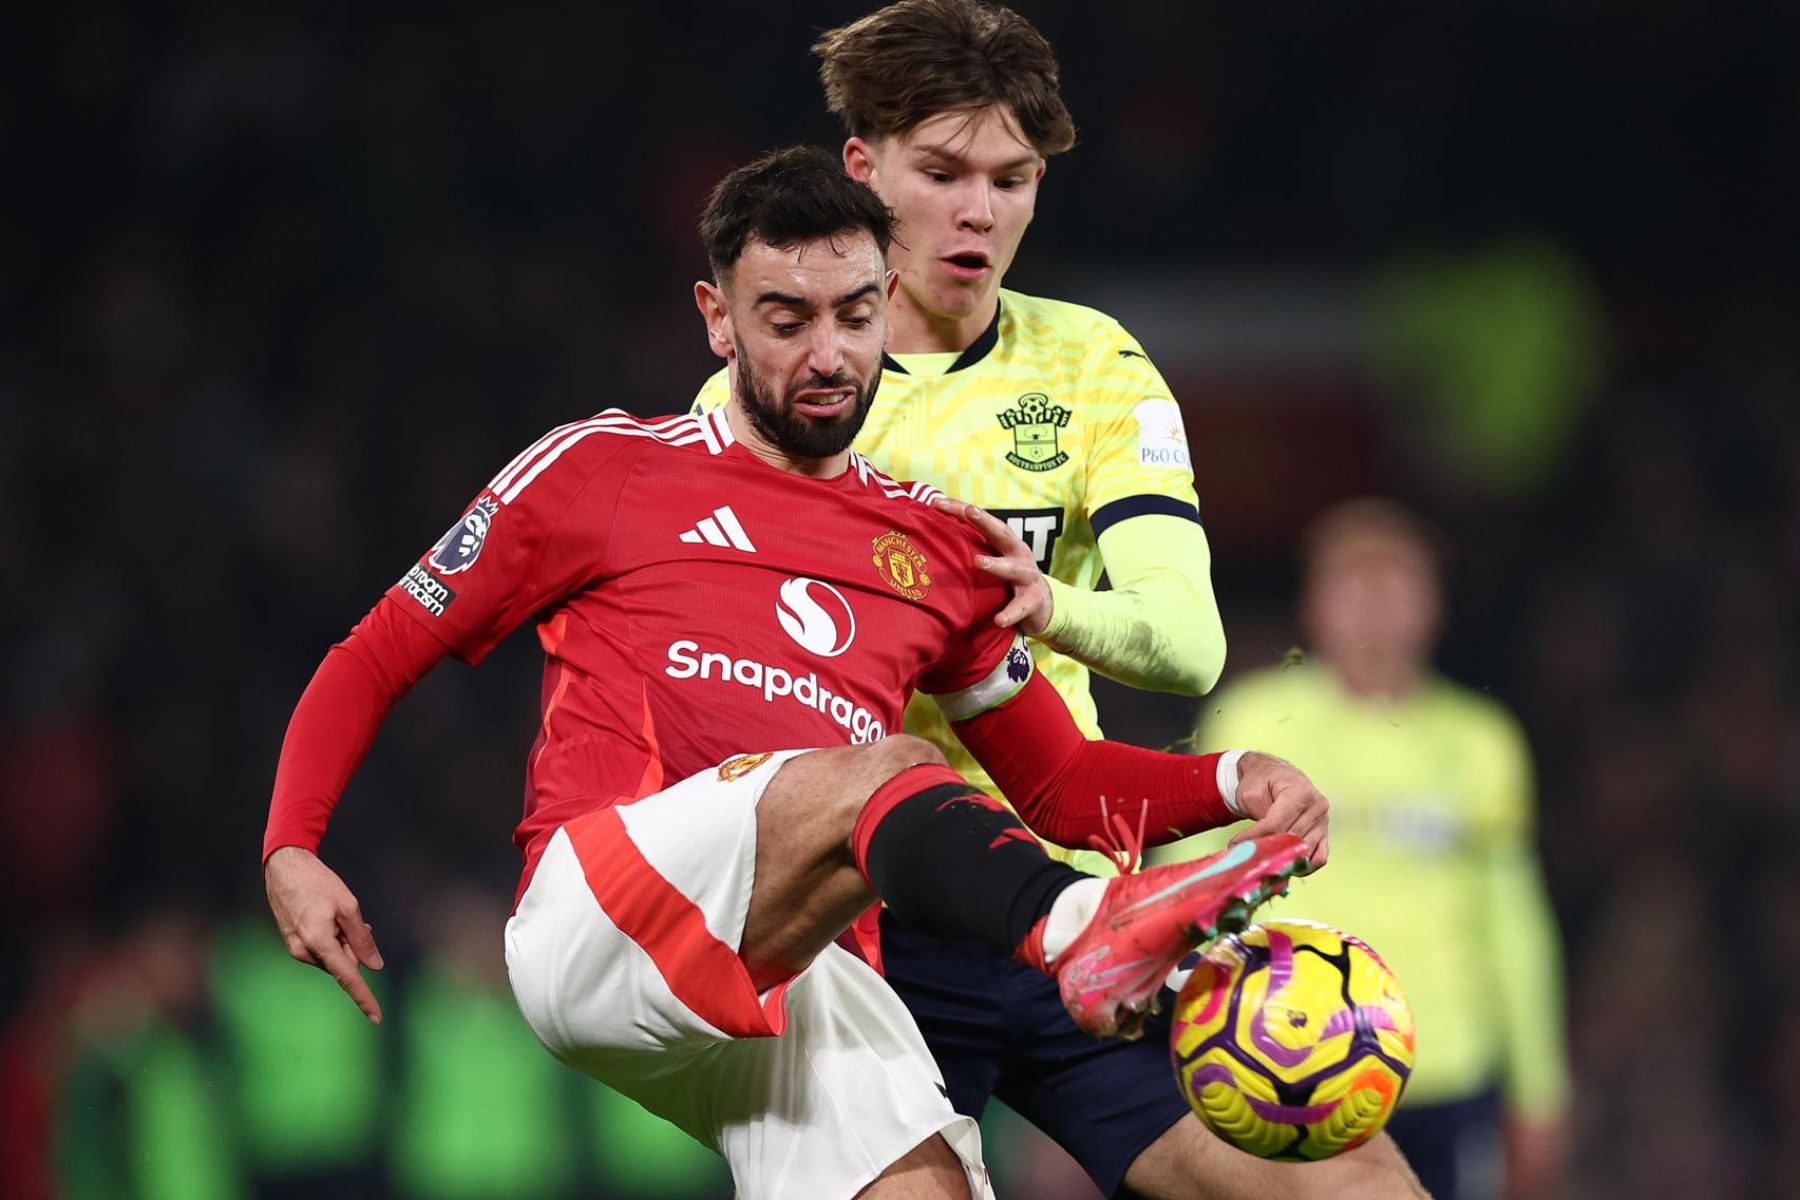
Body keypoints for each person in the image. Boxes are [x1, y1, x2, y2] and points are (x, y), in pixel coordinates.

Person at [261, 147, 1332, 1200]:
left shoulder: (941, 551)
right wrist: (293, 844)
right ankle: (1086, 929)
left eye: (856, 317)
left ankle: (1080, 929)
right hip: (604, 913)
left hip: (809, 966)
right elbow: (380, 651)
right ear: (717, 318)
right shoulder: (604, 468)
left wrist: (1236, 782)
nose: (829, 354)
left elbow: (1061, 784)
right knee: (881, 766)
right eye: (787, 320)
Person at [691, 4, 1425, 1197]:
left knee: (1357, 1186)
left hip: (1065, 902)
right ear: (863, 173)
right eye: (942, 173)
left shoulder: (1090, 365)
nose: (979, 211)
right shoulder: (771, 400)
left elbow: (1189, 647)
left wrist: (1049, 605)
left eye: (1012, 178)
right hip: (863, 935)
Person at [1170, 499, 1572, 1200]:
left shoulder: (1482, 741)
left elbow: (1513, 917)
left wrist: (1540, 1085)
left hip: (1444, 1066)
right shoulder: (1255, 718)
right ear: (1314, 604)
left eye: (1396, 583)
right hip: (1282, 1058)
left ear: (1433, 605)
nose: (1375, 605)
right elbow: (1186, 877)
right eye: (1354, 583)